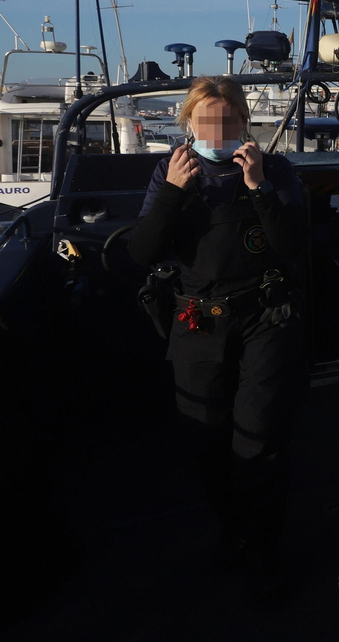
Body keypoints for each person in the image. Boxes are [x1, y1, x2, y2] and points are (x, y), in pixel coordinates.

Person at [127, 76, 307, 599]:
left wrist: (259, 188)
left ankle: (265, 548)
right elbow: (142, 252)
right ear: (188, 124)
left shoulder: (273, 169)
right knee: (205, 437)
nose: (218, 130)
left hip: (263, 316)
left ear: (245, 124)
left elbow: (292, 244)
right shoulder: (169, 171)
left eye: (229, 121)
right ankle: (233, 531)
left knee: (259, 436)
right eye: (206, 121)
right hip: (198, 320)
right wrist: (171, 196)